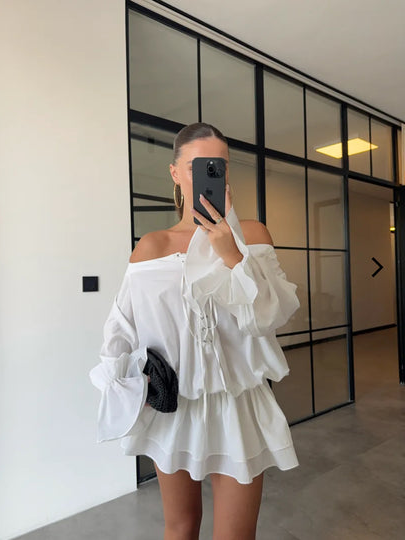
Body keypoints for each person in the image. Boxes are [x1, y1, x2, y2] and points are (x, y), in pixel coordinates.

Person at [89, 122, 300, 540]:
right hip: (174, 403)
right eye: (198, 166)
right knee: (180, 527)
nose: (210, 173)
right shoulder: (152, 246)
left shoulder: (252, 234)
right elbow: (122, 327)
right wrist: (121, 389)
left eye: (219, 165)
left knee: (236, 535)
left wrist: (230, 251)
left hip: (239, 404)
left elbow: (272, 315)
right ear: (175, 173)